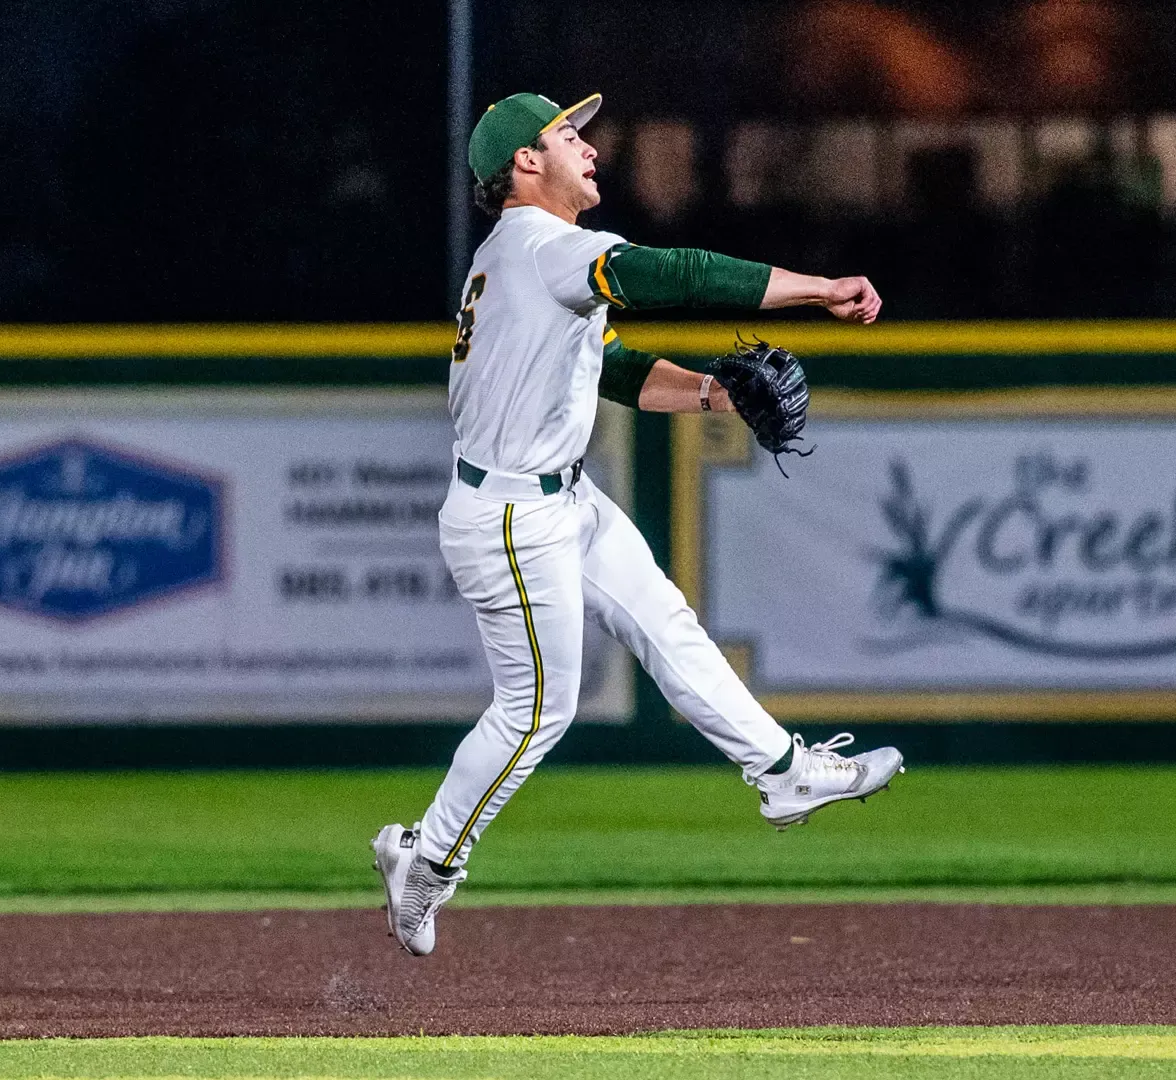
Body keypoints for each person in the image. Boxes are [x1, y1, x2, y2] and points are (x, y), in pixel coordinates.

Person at [372, 92, 905, 956]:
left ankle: (784, 773)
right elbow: (678, 273)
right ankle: (426, 862)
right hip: (511, 515)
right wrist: (814, 289)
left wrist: (709, 392)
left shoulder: (528, 256)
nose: (587, 146)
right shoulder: (545, 247)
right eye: (565, 135)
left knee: (666, 622)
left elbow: (609, 367)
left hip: (558, 499)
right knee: (537, 710)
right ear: (523, 164)